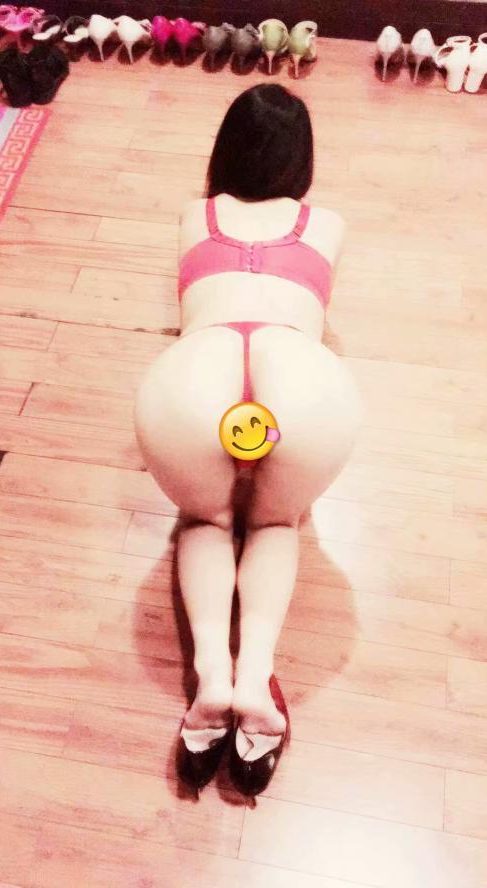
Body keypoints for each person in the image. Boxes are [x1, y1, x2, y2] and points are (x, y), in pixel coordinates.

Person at [134, 83, 363, 796]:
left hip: (197, 371)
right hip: (298, 372)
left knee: (205, 520)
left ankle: (211, 676)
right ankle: (256, 676)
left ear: (226, 147)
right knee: (273, 522)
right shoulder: (326, 223)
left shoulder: (194, 215)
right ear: (302, 159)